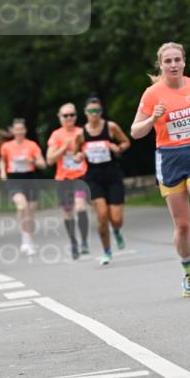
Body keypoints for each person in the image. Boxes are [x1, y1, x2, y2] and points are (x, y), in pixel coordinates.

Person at [131, 42, 190, 297]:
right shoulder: (152, 94)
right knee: (182, 225)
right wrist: (152, 118)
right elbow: (135, 132)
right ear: (160, 65)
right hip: (169, 159)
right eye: (167, 61)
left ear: (184, 62)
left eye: (176, 60)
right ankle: (188, 275)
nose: (173, 65)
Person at [73, 96, 130, 266]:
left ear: (101, 112)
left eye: (97, 110)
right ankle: (107, 251)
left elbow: (126, 141)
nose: (94, 114)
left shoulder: (110, 127)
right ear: (85, 113)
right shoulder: (81, 134)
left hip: (112, 175)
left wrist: (118, 148)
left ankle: (117, 230)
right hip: (93, 178)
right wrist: (79, 156)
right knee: (103, 216)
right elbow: (75, 154)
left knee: (116, 218)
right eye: (90, 111)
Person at [0, 120, 47, 254]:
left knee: (30, 213)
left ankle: (29, 240)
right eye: (16, 129)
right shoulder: (6, 146)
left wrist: (33, 161)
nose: (19, 132)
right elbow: (2, 160)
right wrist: (2, 172)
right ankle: (25, 242)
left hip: (29, 178)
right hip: (14, 179)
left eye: (21, 129)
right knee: (22, 206)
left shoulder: (32, 145)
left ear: (25, 130)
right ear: (12, 131)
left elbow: (43, 164)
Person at [46, 103, 90, 260]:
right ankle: (73, 242)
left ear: (76, 116)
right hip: (63, 179)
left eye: (72, 115)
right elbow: (49, 160)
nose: (69, 118)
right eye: (65, 115)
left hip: (80, 176)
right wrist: (63, 148)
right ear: (59, 118)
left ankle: (84, 241)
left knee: (80, 206)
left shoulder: (82, 132)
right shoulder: (56, 135)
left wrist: (82, 155)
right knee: (68, 212)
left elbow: (90, 151)